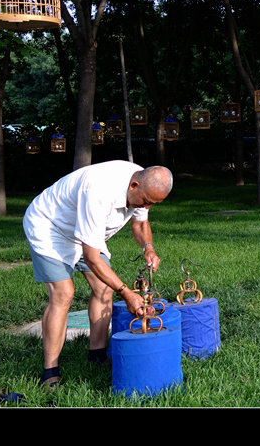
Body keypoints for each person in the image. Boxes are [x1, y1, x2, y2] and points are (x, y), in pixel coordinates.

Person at [23, 160, 173, 389]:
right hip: (50, 227)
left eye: (153, 204)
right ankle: (50, 371)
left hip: (86, 232)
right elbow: (92, 258)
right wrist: (126, 292)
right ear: (134, 185)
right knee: (63, 294)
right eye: (146, 201)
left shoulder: (145, 183)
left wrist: (148, 247)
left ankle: (97, 355)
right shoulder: (98, 191)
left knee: (103, 288)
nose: (147, 207)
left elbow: (141, 225)